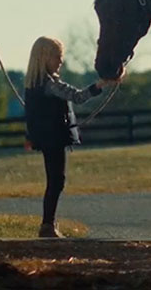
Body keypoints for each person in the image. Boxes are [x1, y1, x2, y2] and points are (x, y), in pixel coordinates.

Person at [24, 36, 111, 238]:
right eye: (57, 57)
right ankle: (47, 225)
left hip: (46, 137)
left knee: (55, 180)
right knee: (56, 180)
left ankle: (48, 223)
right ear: (45, 58)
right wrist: (100, 85)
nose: (61, 61)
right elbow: (78, 96)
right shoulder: (50, 85)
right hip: (54, 137)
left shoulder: (35, 84)